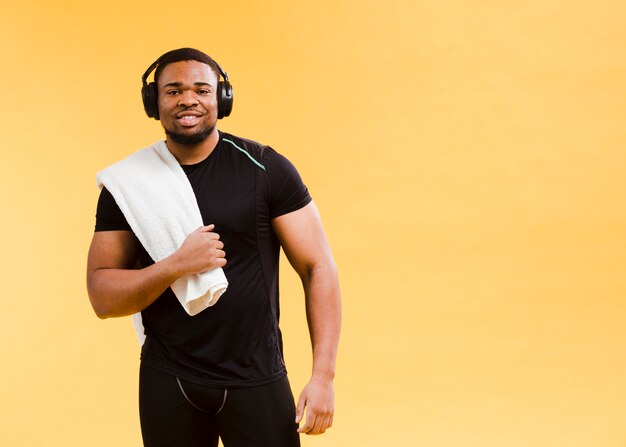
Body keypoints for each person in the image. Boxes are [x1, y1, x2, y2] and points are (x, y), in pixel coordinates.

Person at [86, 47, 341, 447]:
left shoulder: (265, 168)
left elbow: (317, 267)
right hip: (168, 377)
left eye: (201, 89)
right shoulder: (128, 185)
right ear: (154, 102)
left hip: (255, 374)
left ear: (221, 99)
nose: (187, 99)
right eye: (172, 90)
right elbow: (102, 297)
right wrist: (175, 265)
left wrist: (323, 376)